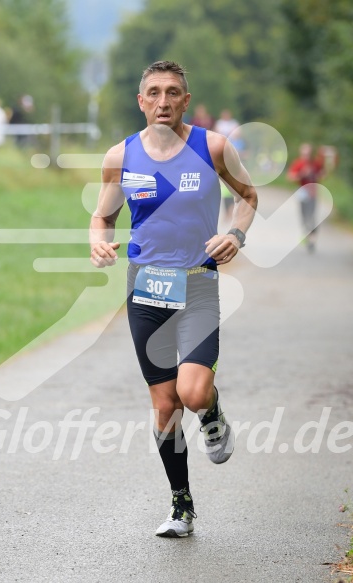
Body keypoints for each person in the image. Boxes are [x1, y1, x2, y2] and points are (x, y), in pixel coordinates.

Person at [89, 61, 257, 537]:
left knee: (192, 392)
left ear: (186, 99)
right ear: (141, 101)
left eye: (173, 93)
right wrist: (97, 240)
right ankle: (181, 504)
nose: (163, 101)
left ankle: (212, 410)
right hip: (146, 289)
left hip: (198, 282)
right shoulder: (119, 156)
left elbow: (248, 195)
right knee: (165, 406)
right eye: (154, 93)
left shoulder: (214, 147)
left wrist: (236, 235)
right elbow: (102, 216)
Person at [287, 143, 325, 252]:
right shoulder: (298, 163)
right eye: (304, 153)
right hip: (303, 192)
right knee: (304, 216)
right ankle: (308, 235)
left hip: (313, 192)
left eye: (308, 153)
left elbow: (322, 173)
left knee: (312, 216)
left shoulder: (315, 164)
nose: (306, 155)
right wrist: (302, 174)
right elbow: (290, 177)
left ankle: (312, 240)